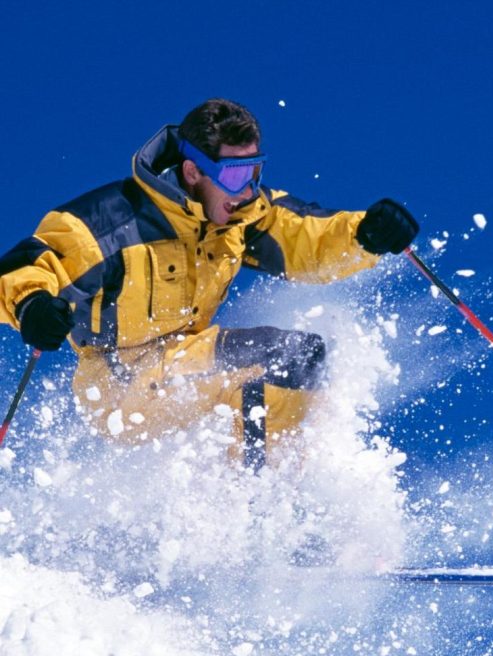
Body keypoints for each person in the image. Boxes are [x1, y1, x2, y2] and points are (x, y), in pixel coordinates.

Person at [0, 98, 418, 469]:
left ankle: (268, 507)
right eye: (236, 177)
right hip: (118, 385)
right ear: (192, 171)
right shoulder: (114, 223)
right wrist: (32, 306)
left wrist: (365, 234)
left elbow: (302, 236)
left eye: (254, 172)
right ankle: (257, 515)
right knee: (282, 356)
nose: (247, 190)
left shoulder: (237, 215)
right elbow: (28, 267)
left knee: (302, 360)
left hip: (184, 360)